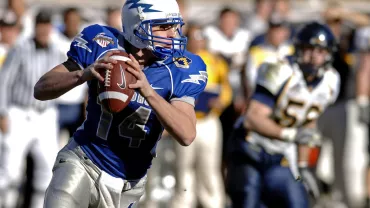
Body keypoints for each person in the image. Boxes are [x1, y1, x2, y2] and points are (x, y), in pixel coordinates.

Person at [33, 0, 207, 207]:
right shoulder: (102, 43)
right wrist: (82, 74)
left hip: (128, 183)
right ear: (137, 26)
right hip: (83, 161)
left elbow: (186, 134)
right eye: (163, 26)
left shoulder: (182, 67)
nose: (173, 34)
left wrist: (148, 92)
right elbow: (41, 89)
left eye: (175, 26)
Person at [226, 22, 340, 208]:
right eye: (309, 49)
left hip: (282, 156)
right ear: (298, 49)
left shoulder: (331, 81)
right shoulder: (280, 69)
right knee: (248, 202)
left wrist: (303, 166)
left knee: (298, 203)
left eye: (320, 51)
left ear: (328, 53)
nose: (314, 57)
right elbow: (252, 118)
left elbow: (308, 122)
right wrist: (291, 135)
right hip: (250, 149)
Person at [0, 9, 64, 208]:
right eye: (41, 25)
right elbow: (4, 82)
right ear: (35, 27)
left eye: (47, 25)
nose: (44, 29)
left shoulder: (56, 51)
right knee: (10, 172)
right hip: (20, 113)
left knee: (46, 174)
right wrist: (2, 113)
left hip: (46, 116)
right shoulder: (20, 49)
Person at [170, 23, 231, 208]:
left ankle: (212, 202)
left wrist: (221, 101)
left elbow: (226, 88)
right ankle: (184, 202)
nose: (197, 41)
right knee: (184, 166)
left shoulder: (215, 61)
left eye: (199, 37)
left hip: (208, 119)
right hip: (184, 118)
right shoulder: (175, 60)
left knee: (209, 166)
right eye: (193, 37)